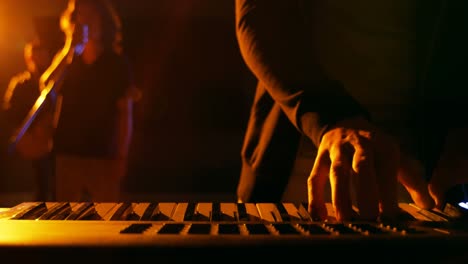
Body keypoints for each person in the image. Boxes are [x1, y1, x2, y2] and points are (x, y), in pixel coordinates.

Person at [234, 0, 468, 222]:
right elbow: (260, 18)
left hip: (434, 183)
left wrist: (460, 135)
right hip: (300, 174)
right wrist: (332, 120)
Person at [12, 0, 136, 202]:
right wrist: (70, 48)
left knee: (107, 221)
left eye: (91, 16)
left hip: (103, 156)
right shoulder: (68, 61)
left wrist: (121, 156)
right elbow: (47, 85)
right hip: (67, 156)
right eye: (80, 16)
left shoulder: (116, 64)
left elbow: (125, 113)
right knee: (67, 221)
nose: (85, 22)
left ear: (103, 21)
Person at [2, 39, 58, 201]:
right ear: (29, 59)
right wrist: (33, 129)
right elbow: (10, 113)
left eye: (44, 55)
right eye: (37, 56)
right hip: (32, 144)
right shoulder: (20, 84)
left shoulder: (54, 81)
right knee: (38, 188)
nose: (41, 59)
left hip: (54, 143)